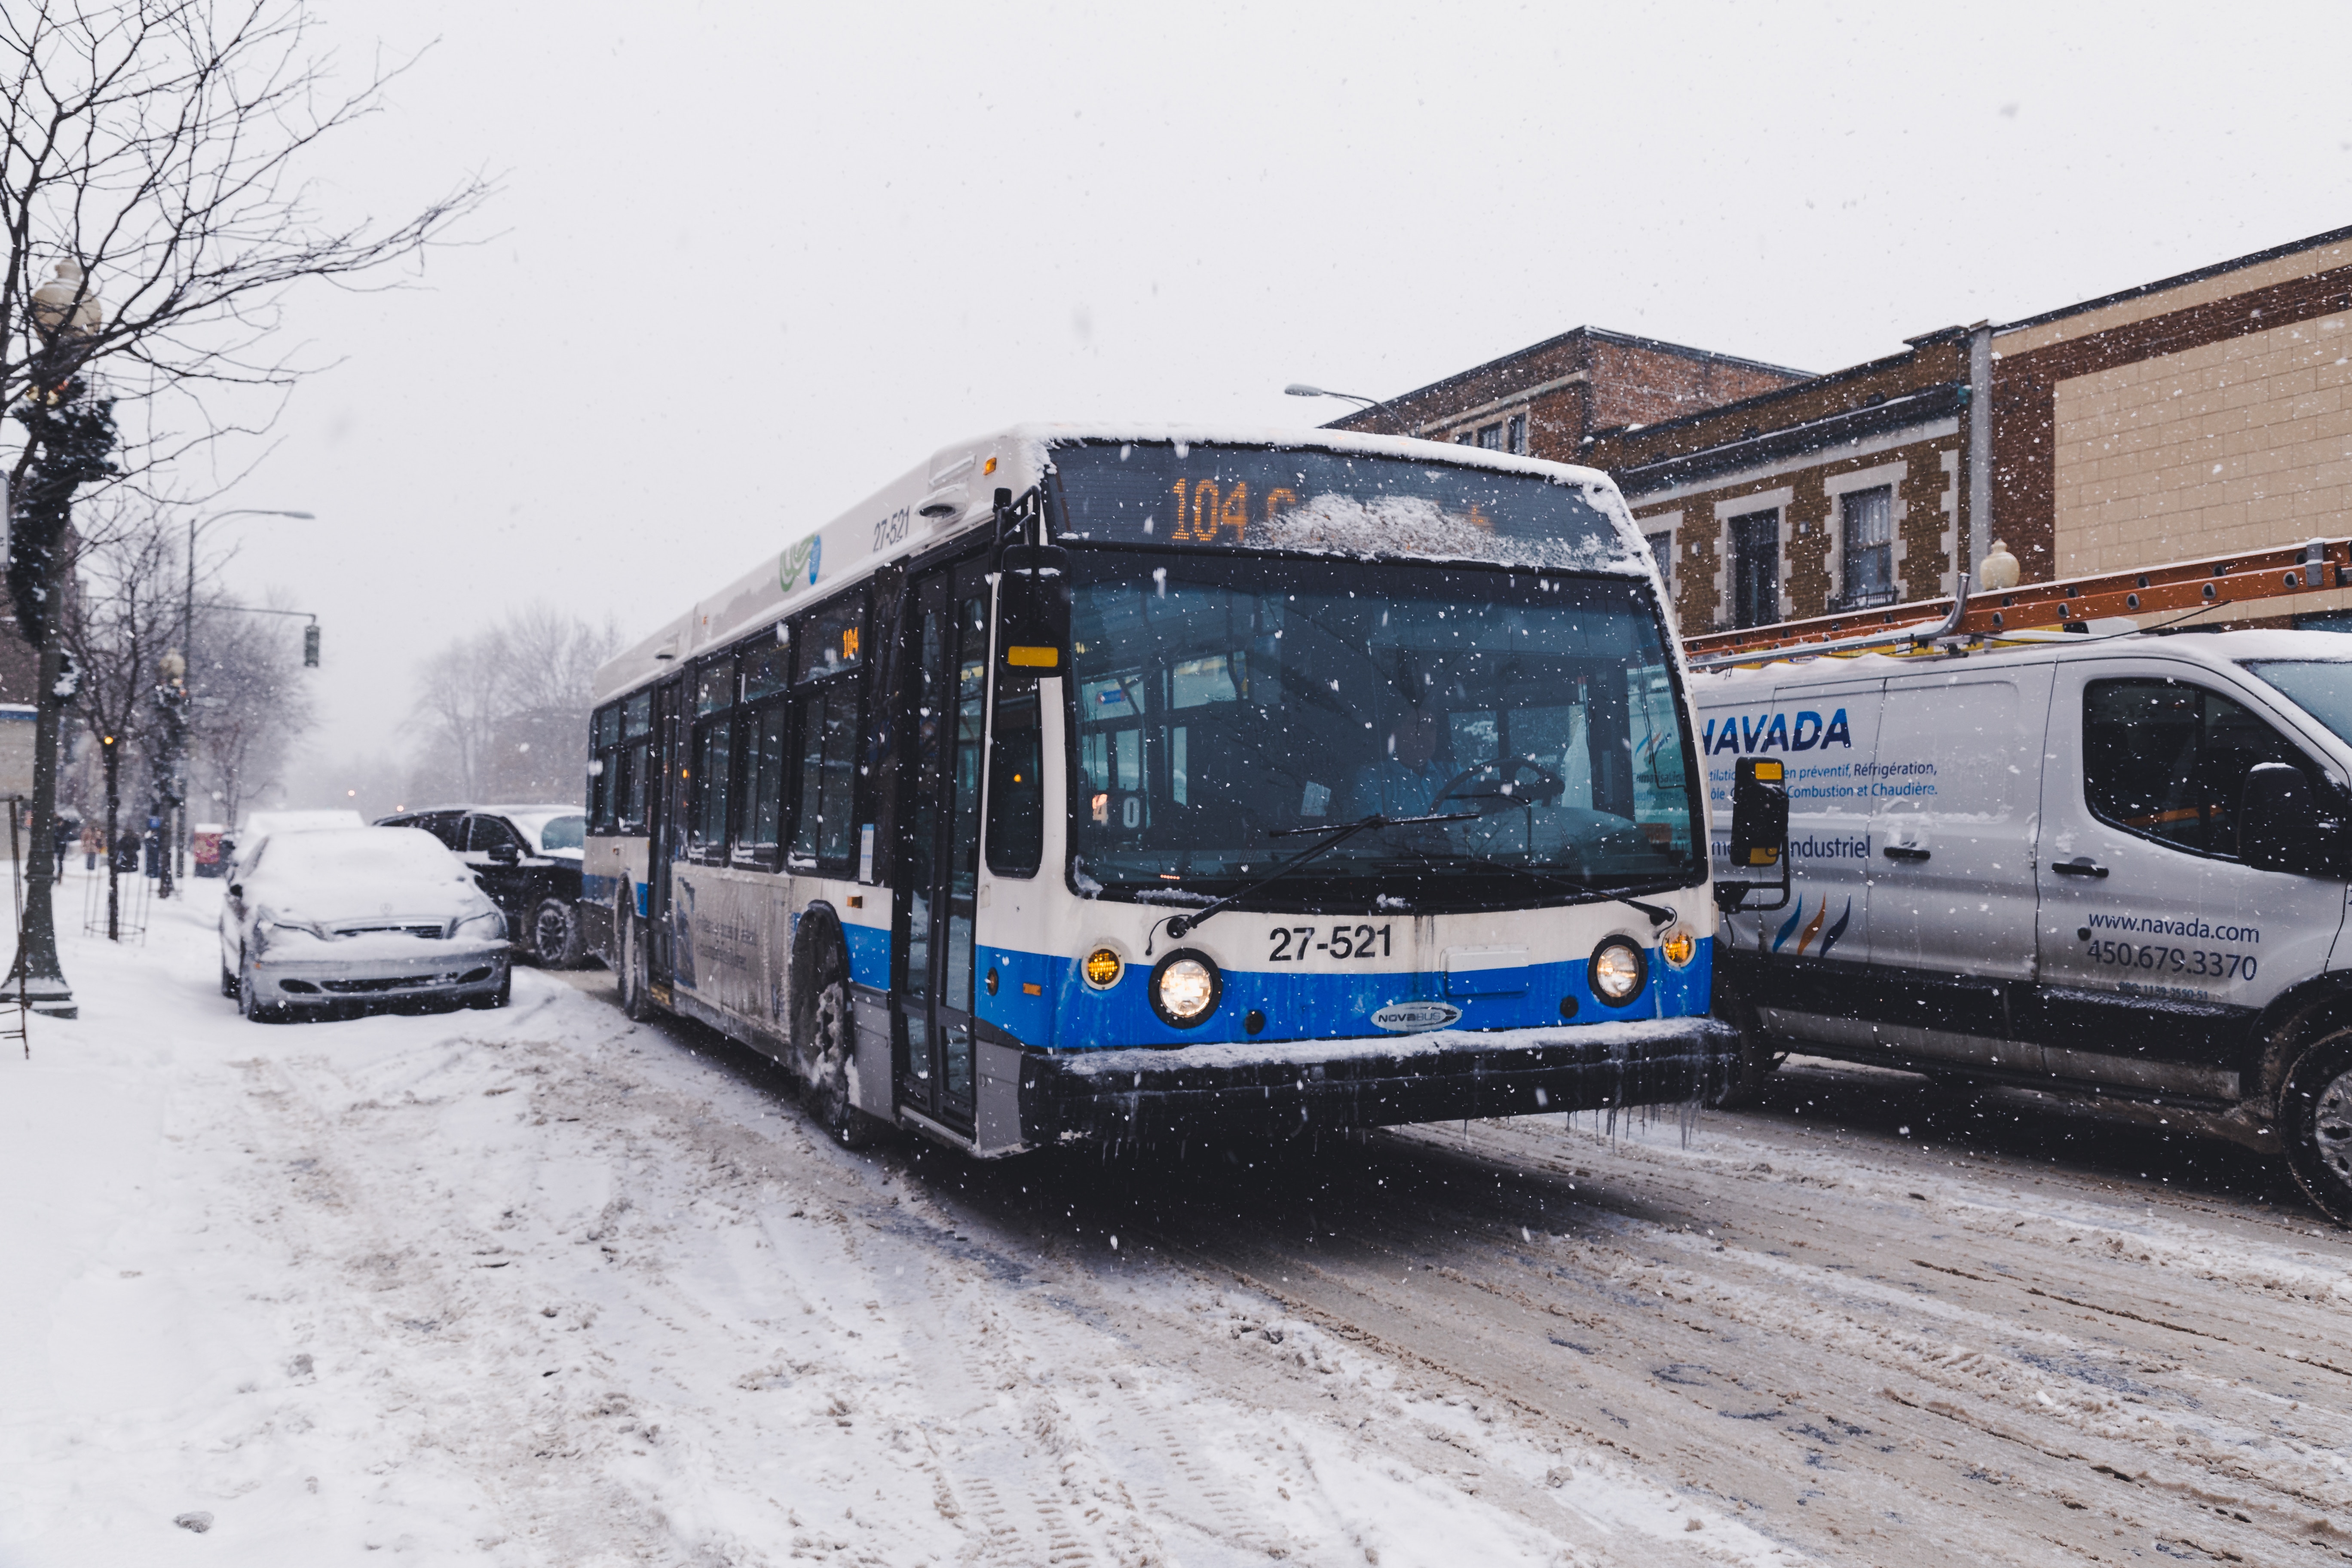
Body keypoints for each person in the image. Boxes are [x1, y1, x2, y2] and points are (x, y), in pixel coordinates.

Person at [1348, 706, 1451, 819]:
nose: (1426, 735)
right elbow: (1374, 832)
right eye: (1418, 726)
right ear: (1396, 732)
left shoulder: (1451, 772)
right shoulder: (1372, 779)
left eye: (1431, 728)